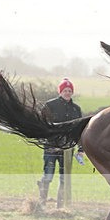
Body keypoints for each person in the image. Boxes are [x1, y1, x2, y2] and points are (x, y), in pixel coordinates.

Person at [38, 78, 83, 206]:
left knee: (64, 179)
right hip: (51, 148)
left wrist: (81, 150)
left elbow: (80, 130)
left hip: (68, 149)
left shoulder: (76, 109)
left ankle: (61, 206)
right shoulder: (49, 106)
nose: (67, 93)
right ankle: (41, 203)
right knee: (48, 176)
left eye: (70, 90)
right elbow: (42, 125)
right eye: (65, 90)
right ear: (60, 91)